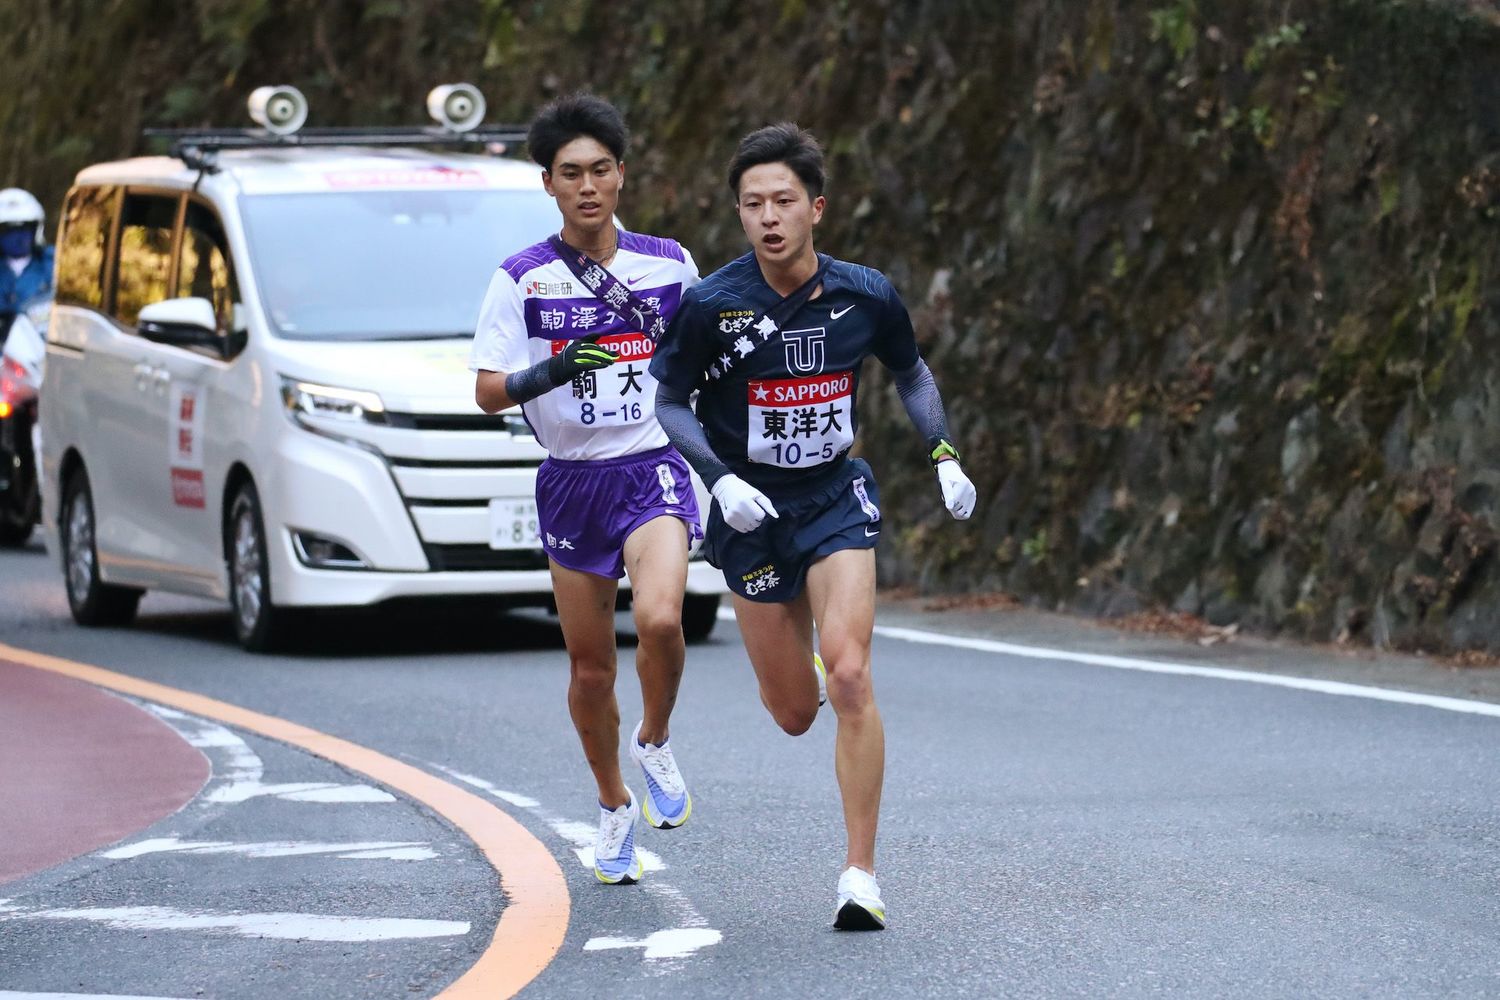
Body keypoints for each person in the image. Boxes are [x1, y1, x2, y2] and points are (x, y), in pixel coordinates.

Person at [650, 123, 977, 929]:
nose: (769, 217)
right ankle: (816, 654)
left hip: (833, 498)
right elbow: (668, 401)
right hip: (748, 516)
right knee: (796, 710)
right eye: (753, 204)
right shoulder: (712, 306)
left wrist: (942, 452)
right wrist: (720, 481)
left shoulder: (864, 294)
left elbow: (910, 370)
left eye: (783, 202)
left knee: (853, 677)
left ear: (815, 209)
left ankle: (860, 875)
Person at [470, 94, 703, 885]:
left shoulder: (670, 263)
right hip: (572, 481)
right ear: (549, 185)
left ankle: (656, 740)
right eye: (570, 173)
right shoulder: (521, 279)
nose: (587, 185)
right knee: (591, 668)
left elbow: (703, 359)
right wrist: (557, 369)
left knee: (664, 618)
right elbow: (489, 390)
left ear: (621, 175)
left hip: (652, 465)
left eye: (600, 169)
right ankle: (612, 805)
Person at [0, 188, 54, 322]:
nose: (17, 238)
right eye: (9, 230)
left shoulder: (53, 264)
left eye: (23, 229)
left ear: (35, 231)